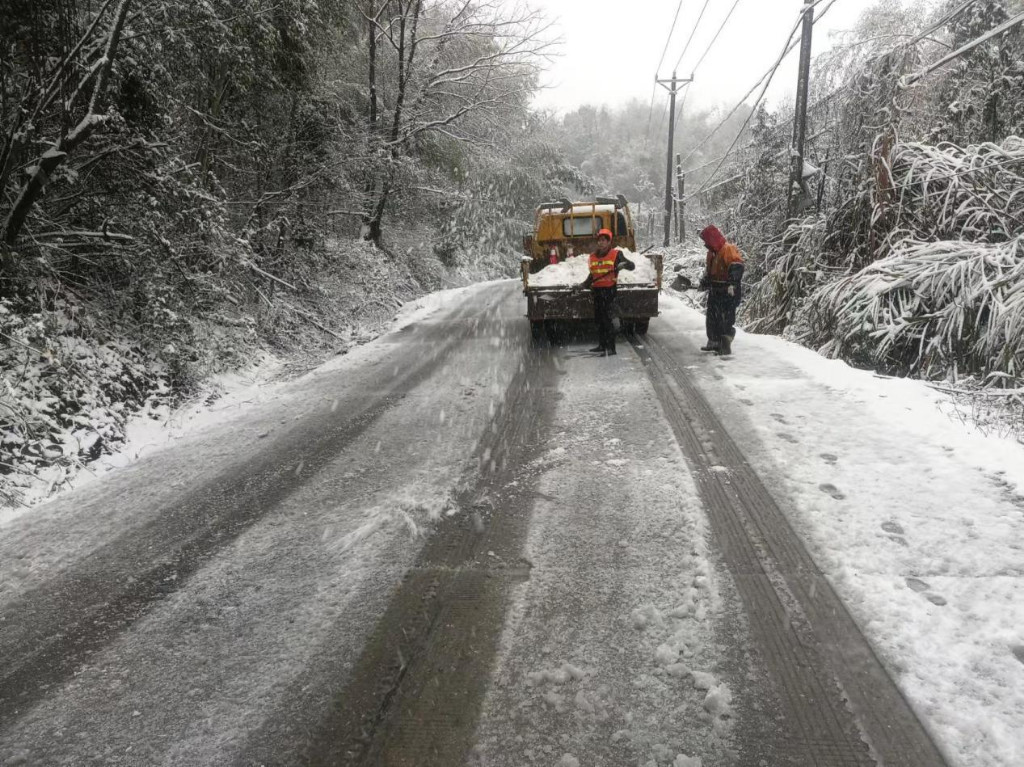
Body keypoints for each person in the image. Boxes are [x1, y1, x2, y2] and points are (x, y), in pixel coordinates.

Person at [576, 228, 634, 355]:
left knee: (607, 320)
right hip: (597, 291)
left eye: (604, 240)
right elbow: (593, 275)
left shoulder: (616, 254)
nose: (601, 243)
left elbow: (632, 266)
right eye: (599, 240)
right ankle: (602, 345)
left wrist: (623, 265)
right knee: (599, 320)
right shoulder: (593, 256)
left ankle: (611, 348)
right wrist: (583, 284)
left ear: (609, 242)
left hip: (609, 291)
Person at [698, 225, 744, 356]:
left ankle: (725, 345)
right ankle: (713, 342)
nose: (705, 243)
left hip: (728, 291)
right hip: (716, 290)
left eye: (706, 240)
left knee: (725, 318)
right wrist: (705, 282)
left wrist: (732, 283)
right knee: (712, 317)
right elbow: (710, 272)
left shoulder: (727, 249)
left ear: (712, 239)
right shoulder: (711, 253)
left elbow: (737, 265)